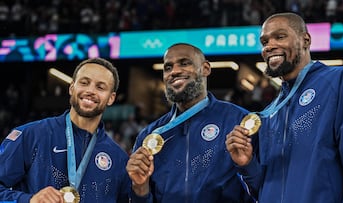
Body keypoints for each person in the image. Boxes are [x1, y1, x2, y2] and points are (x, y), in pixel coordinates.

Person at [225, 12, 343, 203]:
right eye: (264, 42)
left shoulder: (340, 81)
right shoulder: (268, 114)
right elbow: (261, 191)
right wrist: (247, 165)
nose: (270, 46)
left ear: (305, 40)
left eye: (280, 37)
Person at [126, 43, 251, 202]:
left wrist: (248, 166)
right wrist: (140, 188)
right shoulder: (150, 136)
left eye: (184, 63)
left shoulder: (238, 120)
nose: (175, 71)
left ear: (205, 68)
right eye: (168, 67)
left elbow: (260, 188)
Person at [0, 57, 131, 203]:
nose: (90, 91)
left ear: (111, 98)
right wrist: (29, 200)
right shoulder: (31, 136)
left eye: (100, 87)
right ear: (71, 87)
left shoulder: (119, 158)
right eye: (84, 83)